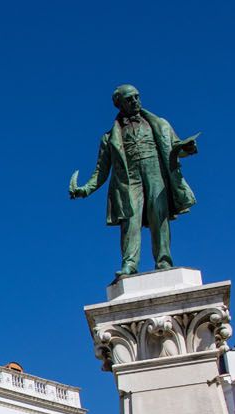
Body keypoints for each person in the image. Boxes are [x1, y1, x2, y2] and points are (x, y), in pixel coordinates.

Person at [70, 84, 199, 277]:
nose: (135, 101)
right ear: (119, 103)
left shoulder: (159, 124)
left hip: (155, 173)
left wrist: (186, 149)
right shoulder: (108, 138)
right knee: (130, 221)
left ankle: (163, 261)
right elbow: (101, 171)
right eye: (129, 99)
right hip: (128, 180)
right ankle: (129, 264)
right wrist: (85, 189)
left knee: (159, 215)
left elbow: (174, 148)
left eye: (137, 97)